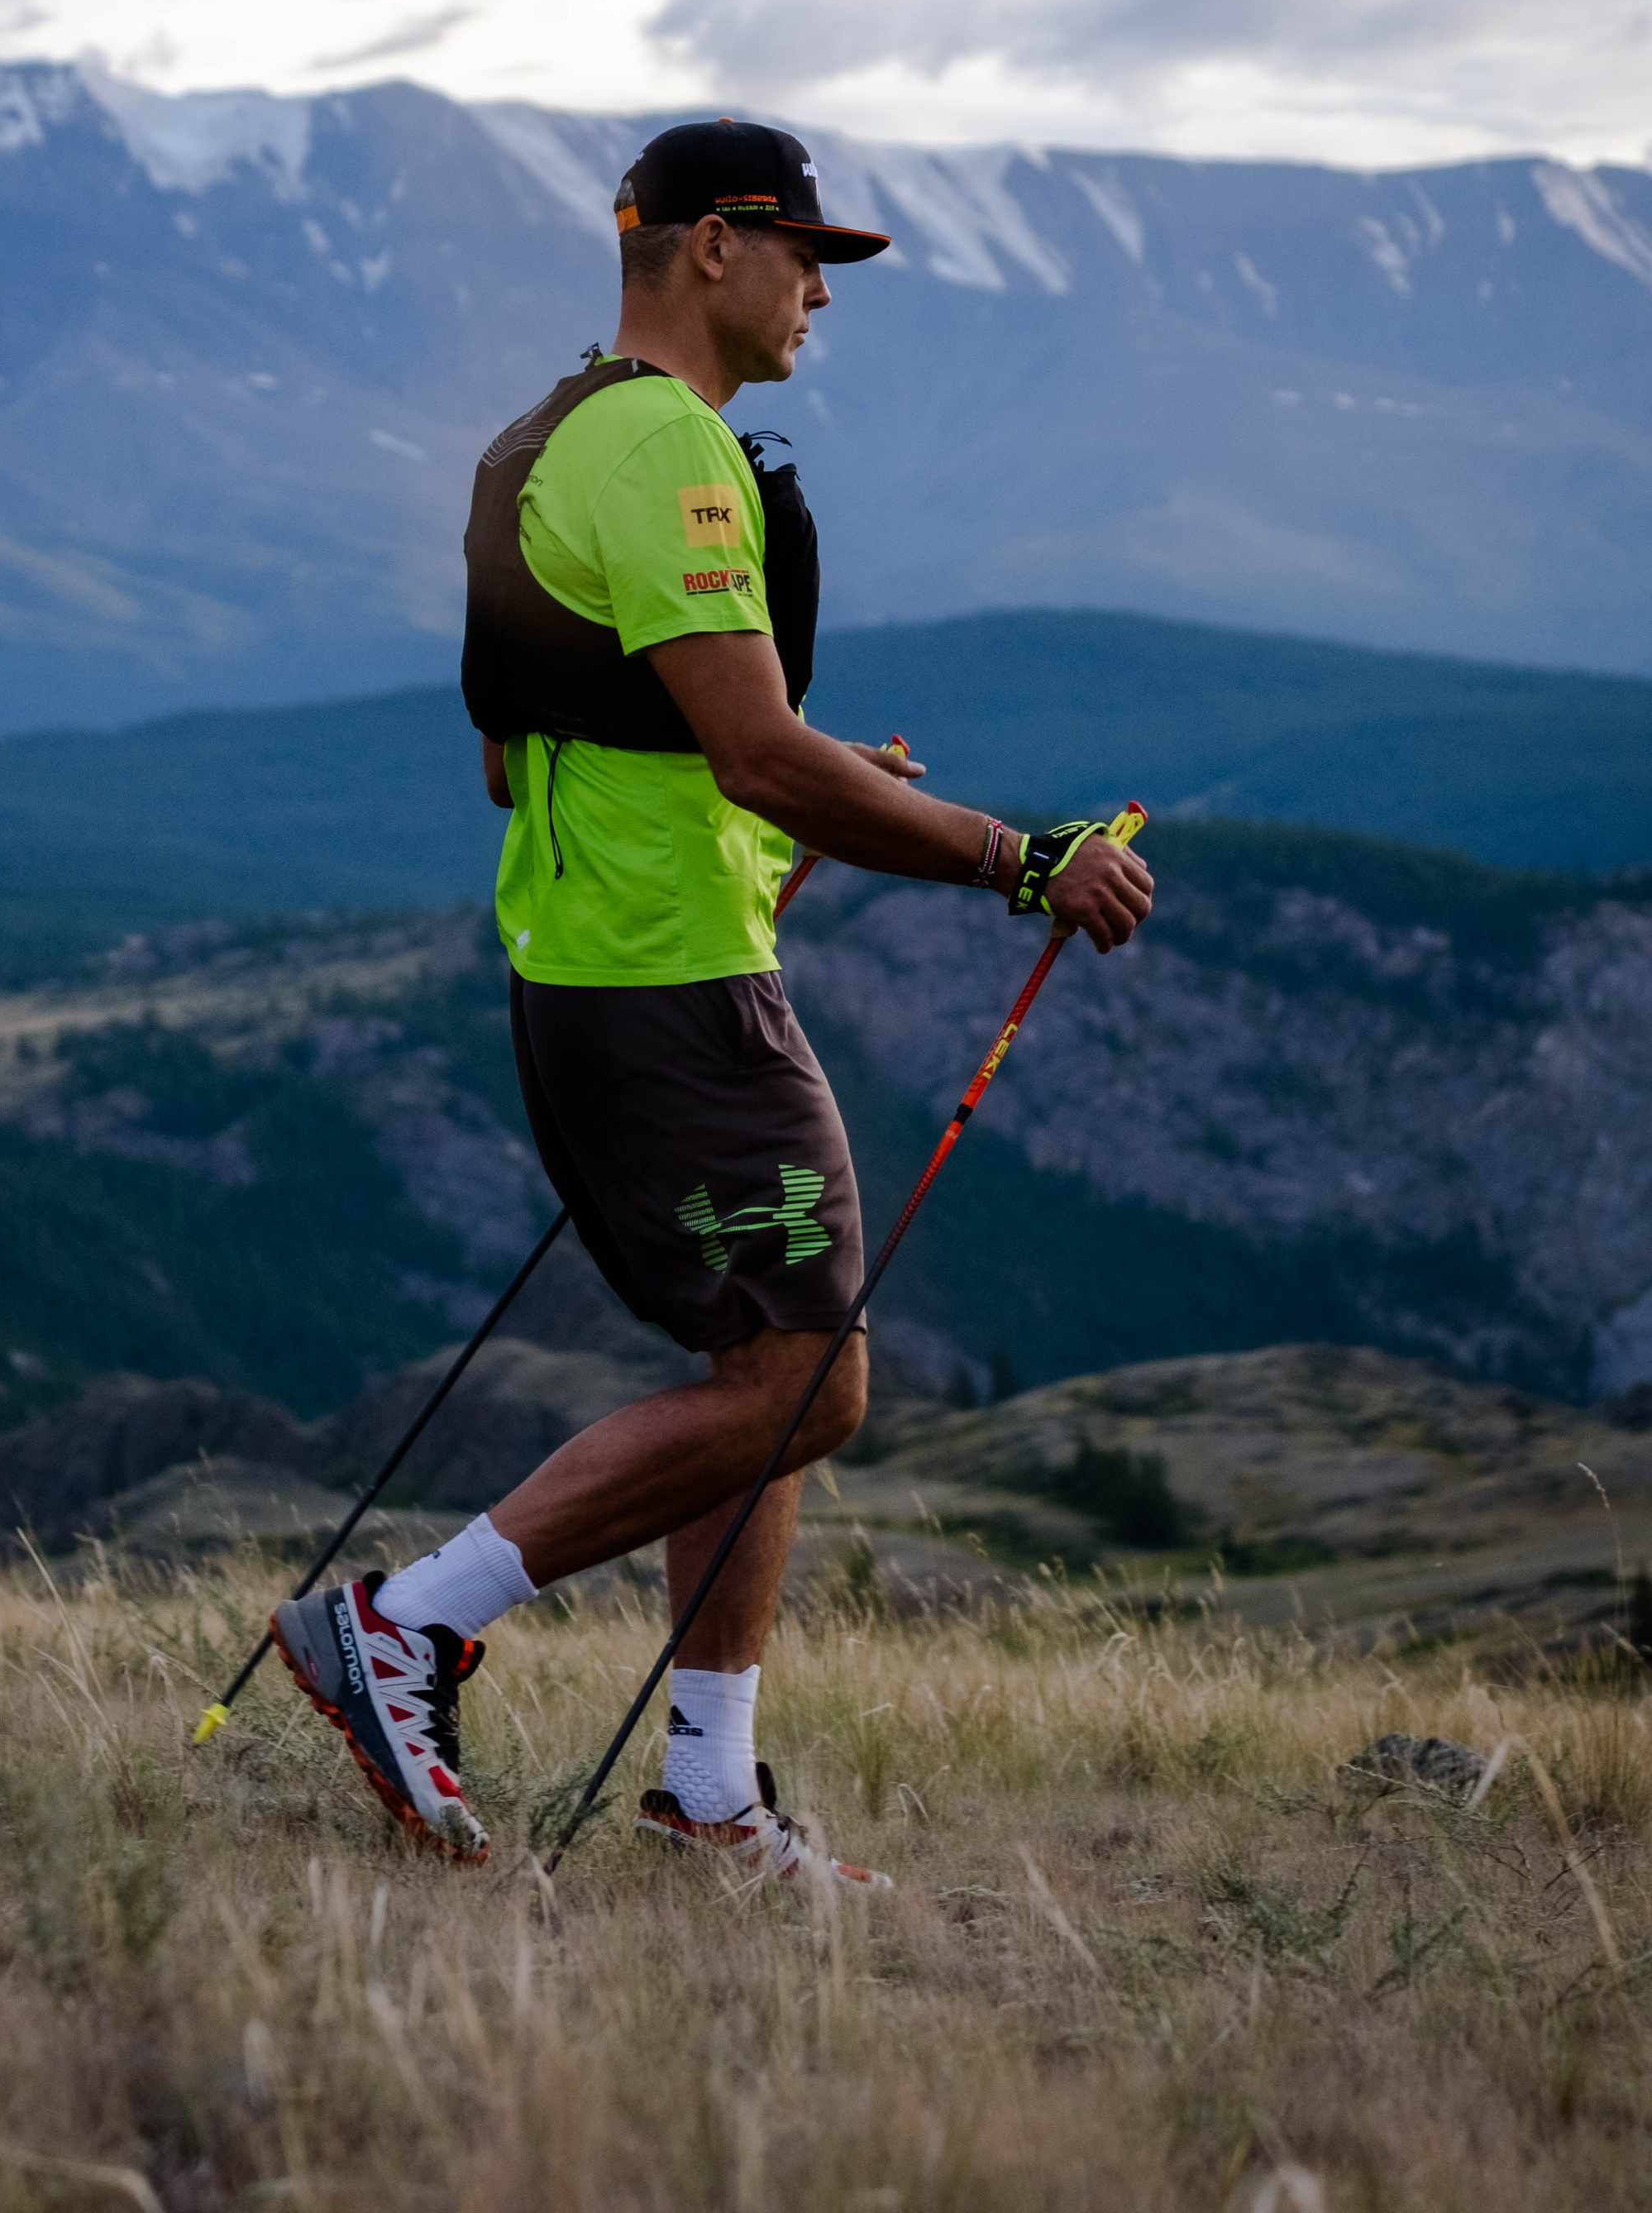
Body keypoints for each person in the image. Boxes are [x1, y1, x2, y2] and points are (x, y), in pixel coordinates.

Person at [272, 119, 1154, 1881]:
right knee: (811, 1381)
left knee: (761, 1360)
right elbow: (748, 751)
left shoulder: (541, 436)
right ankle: (409, 1626)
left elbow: (521, 760)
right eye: (801, 252)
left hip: (602, 961)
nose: (820, 290)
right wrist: (1013, 857)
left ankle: (703, 1797)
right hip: (670, 987)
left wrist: (808, 795)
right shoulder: (674, 452)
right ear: (706, 249)